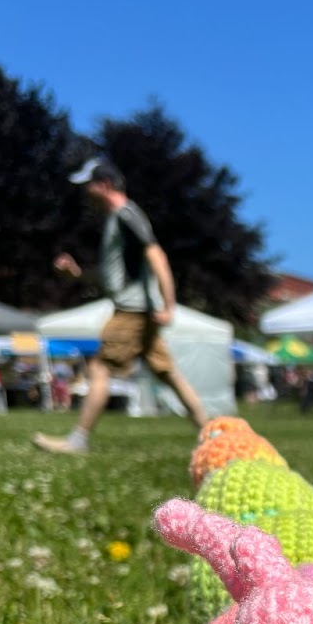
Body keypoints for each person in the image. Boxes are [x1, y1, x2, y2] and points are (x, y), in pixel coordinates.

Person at [34, 157, 208, 455]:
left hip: (132, 311)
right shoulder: (117, 219)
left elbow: (157, 256)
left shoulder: (127, 215)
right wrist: (76, 273)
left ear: (105, 185)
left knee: (101, 368)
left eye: (88, 185)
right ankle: (211, 436)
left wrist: (169, 305)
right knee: (168, 374)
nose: (85, 192)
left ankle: (78, 441)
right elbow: (116, 275)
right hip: (139, 310)